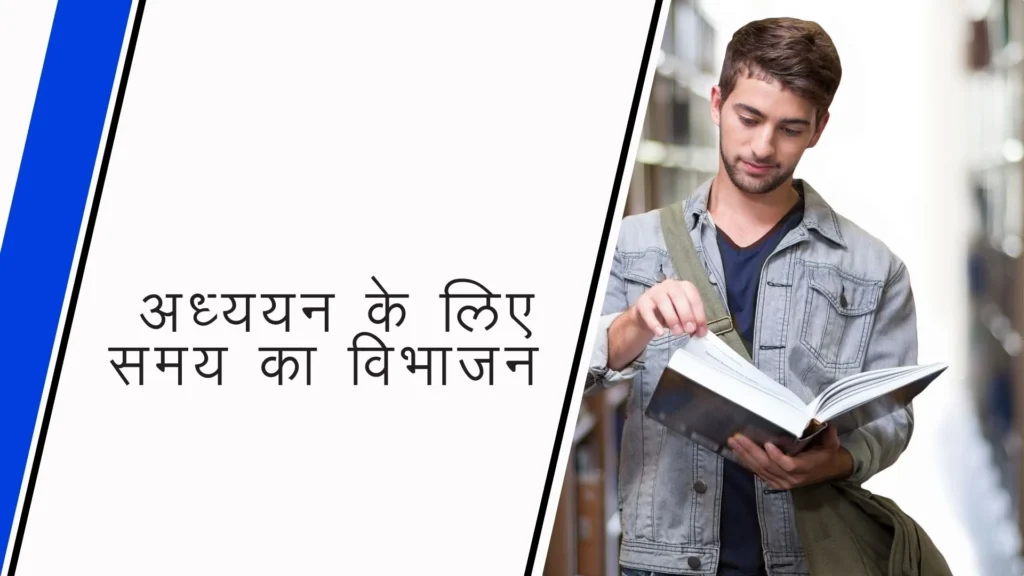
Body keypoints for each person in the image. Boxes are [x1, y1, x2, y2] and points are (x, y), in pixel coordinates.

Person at [586, 17, 917, 576]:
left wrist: (836, 460)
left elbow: (892, 419)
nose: (764, 146)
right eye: (749, 117)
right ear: (716, 102)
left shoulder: (874, 269)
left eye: (790, 128)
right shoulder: (631, 246)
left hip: (806, 558)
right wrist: (635, 322)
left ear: (819, 128)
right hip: (664, 561)